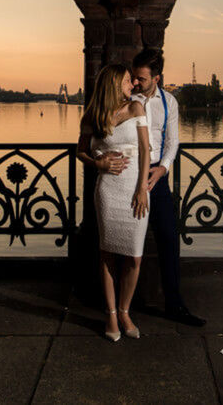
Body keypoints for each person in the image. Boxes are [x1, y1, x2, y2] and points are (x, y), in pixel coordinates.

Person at [98, 48, 206, 327]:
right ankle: (120, 309)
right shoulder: (124, 100)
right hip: (126, 176)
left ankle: (175, 305)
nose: (135, 83)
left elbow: (172, 141)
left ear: (157, 78)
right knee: (121, 242)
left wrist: (163, 169)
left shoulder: (169, 102)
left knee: (169, 238)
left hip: (156, 178)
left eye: (142, 79)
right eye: (133, 77)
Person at [76, 63, 151, 342]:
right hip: (108, 190)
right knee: (107, 254)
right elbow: (80, 151)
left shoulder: (135, 109)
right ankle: (110, 315)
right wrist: (98, 162)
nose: (132, 85)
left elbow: (145, 150)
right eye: (128, 81)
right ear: (114, 83)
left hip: (135, 188)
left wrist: (143, 188)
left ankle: (124, 310)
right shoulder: (93, 115)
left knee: (134, 256)